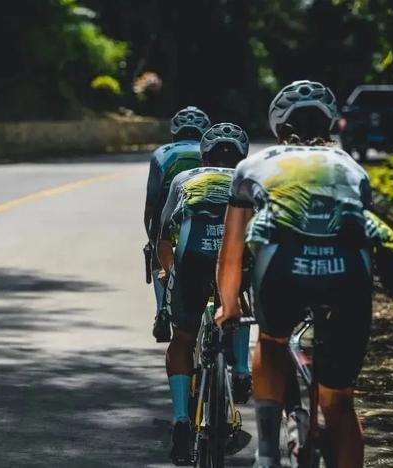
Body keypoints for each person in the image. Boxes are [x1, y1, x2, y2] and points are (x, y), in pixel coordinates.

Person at [216, 80, 393, 468]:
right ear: (330, 126)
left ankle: (266, 456)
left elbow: (231, 253)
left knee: (273, 341)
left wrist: (229, 305)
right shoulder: (351, 166)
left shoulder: (252, 165)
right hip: (348, 275)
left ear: (279, 128)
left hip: (282, 267)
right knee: (339, 399)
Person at [157, 123, 250, 465]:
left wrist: (170, 270)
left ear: (203, 155)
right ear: (242, 156)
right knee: (238, 303)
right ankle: (241, 370)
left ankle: (182, 418)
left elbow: (164, 234)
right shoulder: (251, 176)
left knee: (183, 337)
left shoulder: (185, 179)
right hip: (236, 255)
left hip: (192, 258)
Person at [143, 106, 211, 340]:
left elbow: (152, 203)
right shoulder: (208, 150)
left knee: (157, 255)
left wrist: (153, 238)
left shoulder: (162, 153)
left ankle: (162, 310)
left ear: (175, 131)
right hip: (205, 221)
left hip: (169, 220)